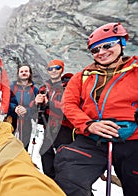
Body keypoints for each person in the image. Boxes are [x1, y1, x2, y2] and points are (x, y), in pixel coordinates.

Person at [54, 22, 138, 196]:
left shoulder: (135, 71)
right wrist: (89, 124)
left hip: (133, 139)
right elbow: (68, 104)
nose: (101, 52)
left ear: (121, 44)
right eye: (95, 50)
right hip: (92, 138)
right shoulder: (81, 77)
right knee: (69, 175)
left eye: (108, 45)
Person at [34, 59, 74, 179]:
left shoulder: (69, 86)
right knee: (46, 155)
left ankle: (68, 186)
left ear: (62, 69)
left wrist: (49, 103)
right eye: (50, 68)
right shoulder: (44, 88)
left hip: (64, 128)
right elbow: (36, 111)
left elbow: (68, 108)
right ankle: (52, 184)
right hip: (49, 127)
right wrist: (36, 103)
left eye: (57, 68)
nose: (53, 71)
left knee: (63, 160)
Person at [6, 63, 39, 150]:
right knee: (7, 143)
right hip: (11, 118)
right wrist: (14, 108)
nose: (24, 73)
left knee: (24, 144)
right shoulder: (11, 87)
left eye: (26, 71)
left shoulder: (35, 90)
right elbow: (6, 102)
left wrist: (27, 110)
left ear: (30, 74)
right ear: (18, 74)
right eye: (21, 71)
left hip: (26, 120)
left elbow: (36, 107)